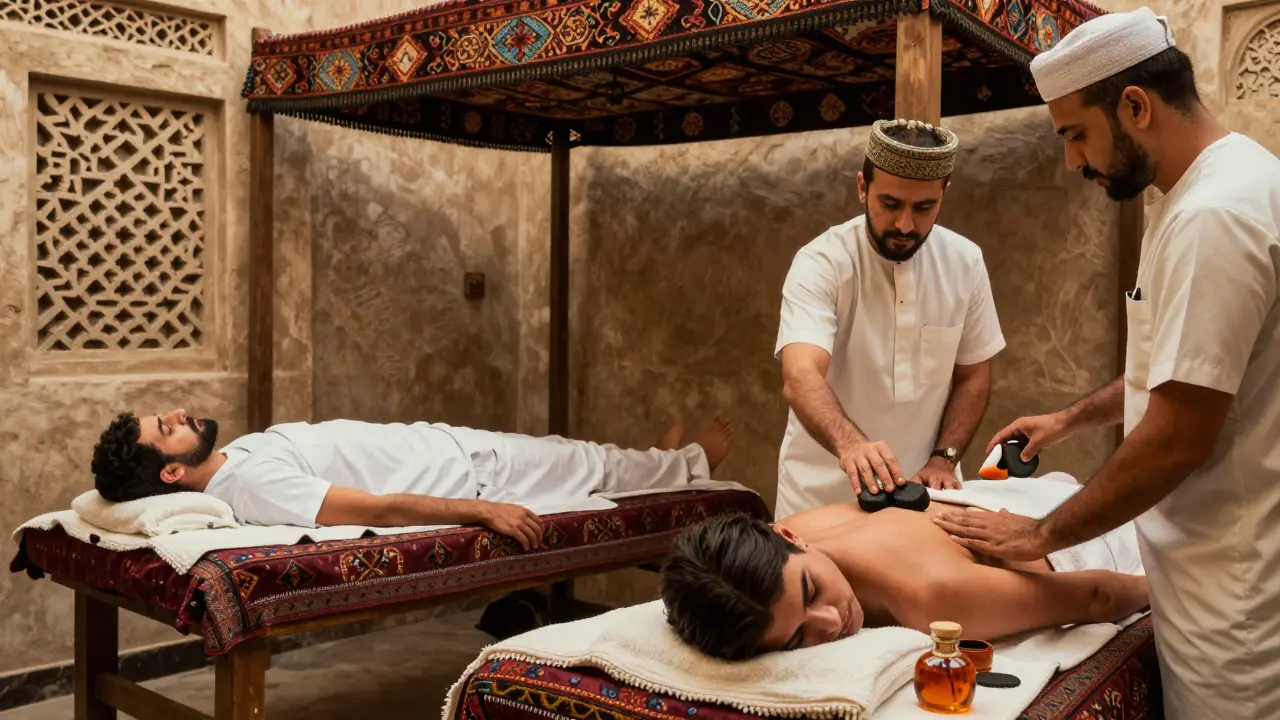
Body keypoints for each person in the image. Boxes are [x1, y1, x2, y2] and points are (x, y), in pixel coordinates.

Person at [931, 8, 1280, 718]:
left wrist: (1039, 533)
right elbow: (1180, 368)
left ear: (1135, 106)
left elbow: (1181, 434)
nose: (1073, 161)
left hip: (1237, 597)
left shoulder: (1216, 216)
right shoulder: (1198, 194)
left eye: (1074, 134)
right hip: (1205, 575)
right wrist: (1070, 417)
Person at [774, 118, 1006, 518]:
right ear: (863, 188)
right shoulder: (821, 262)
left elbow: (973, 376)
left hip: (924, 497)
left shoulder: (965, 261)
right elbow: (801, 376)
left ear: (944, 195)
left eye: (923, 208)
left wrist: (944, 459)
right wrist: (851, 445)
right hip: (818, 500)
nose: (905, 225)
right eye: (890, 204)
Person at [90, 409, 736, 549]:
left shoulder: (234, 460)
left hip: (445, 447)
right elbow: (378, 507)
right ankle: (688, 466)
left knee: (576, 452)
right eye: (165, 429)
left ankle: (656, 460)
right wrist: (479, 513)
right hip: (473, 477)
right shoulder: (252, 488)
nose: (175, 414)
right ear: (173, 471)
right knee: (589, 468)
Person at [658, 496, 1149, 660]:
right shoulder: (779, 543)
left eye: (812, 592)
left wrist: (1162, 592)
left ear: (787, 535)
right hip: (977, 505)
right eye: (796, 640)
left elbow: (1098, 594)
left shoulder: (931, 598)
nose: (830, 622)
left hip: (1088, 541)